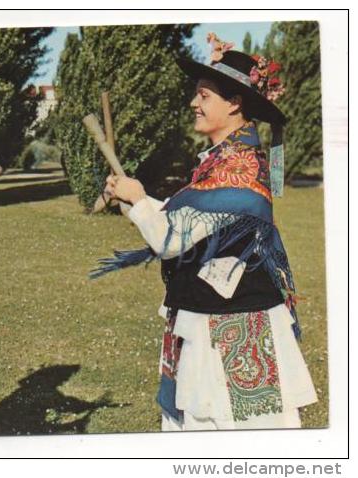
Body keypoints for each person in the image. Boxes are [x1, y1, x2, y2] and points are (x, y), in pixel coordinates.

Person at [99, 34, 317, 430]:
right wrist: (135, 202)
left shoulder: (240, 170)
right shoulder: (218, 164)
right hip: (206, 319)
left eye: (203, 96)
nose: (193, 104)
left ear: (235, 103)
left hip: (236, 327)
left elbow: (172, 239)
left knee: (248, 441)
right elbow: (189, 224)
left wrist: (139, 198)